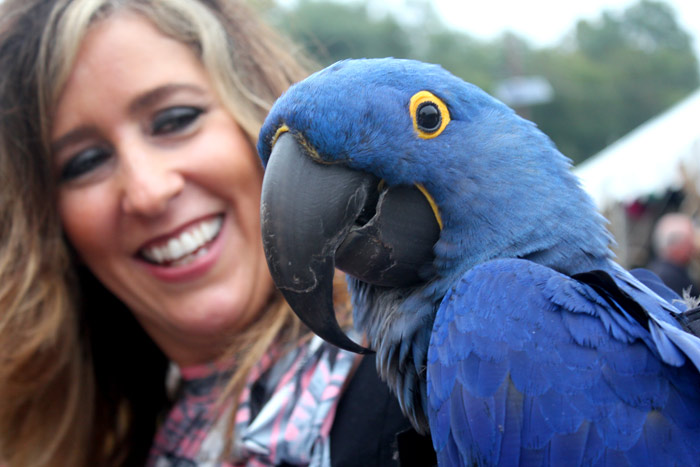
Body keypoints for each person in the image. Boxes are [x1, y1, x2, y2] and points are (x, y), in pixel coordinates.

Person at [0, 1, 426, 465]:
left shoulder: (429, 393)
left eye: (175, 119)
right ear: (50, 230)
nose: (148, 191)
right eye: (85, 162)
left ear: (260, 113)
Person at [647, 212, 700, 298]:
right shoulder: (668, 276)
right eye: (689, 242)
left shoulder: (663, 270)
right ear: (678, 244)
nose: (693, 247)